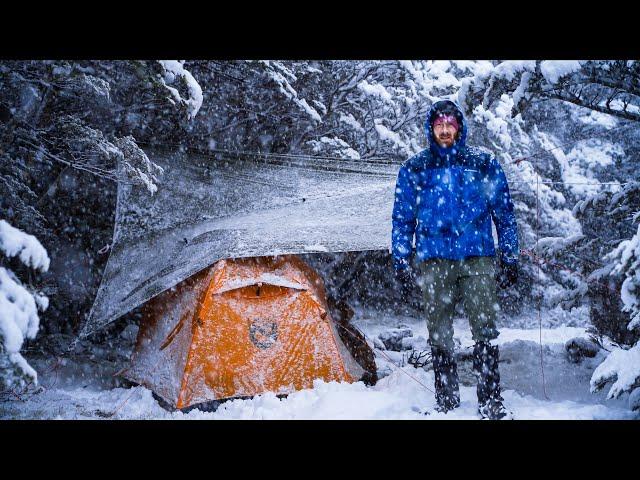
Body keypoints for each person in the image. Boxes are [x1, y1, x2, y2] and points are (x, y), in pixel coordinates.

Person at [391, 99, 519, 419]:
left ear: (459, 127)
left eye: (450, 123)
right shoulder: (415, 169)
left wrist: (510, 255)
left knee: (485, 330)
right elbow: (402, 219)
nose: (445, 129)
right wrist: (401, 260)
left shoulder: (483, 163)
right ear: (431, 129)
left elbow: (504, 214)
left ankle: (490, 401)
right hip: (434, 260)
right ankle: (446, 401)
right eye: (439, 124)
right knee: (439, 332)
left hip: (477, 259)